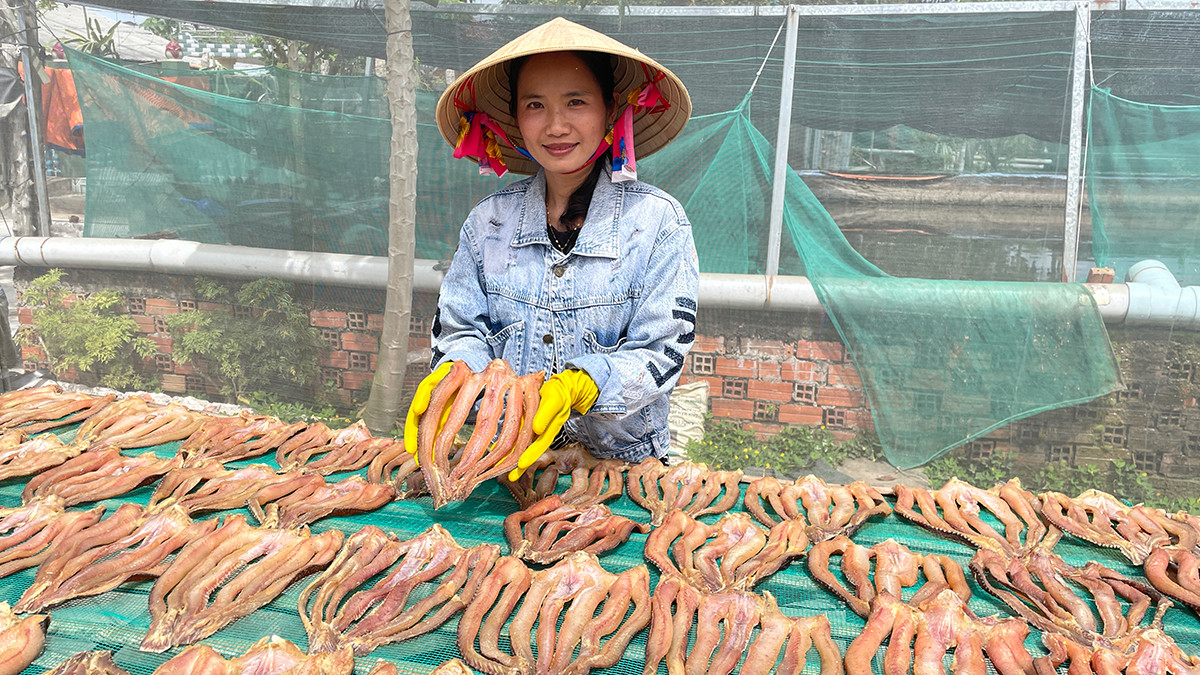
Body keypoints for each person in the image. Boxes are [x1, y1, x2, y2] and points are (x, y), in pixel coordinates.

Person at [405, 18, 698, 480]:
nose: (556, 125)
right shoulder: (488, 224)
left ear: (610, 109)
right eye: (535, 105)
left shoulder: (657, 223)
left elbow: (662, 351)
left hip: (622, 473)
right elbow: (462, 331)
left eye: (576, 102)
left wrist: (587, 383)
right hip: (507, 466)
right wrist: (457, 373)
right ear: (516, 119)